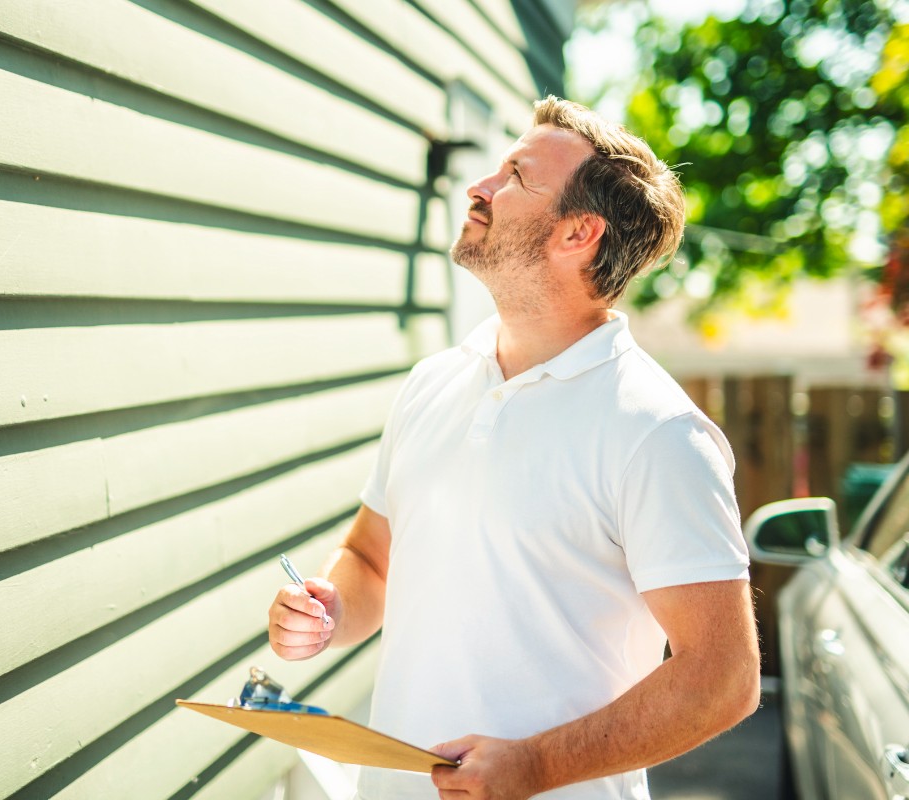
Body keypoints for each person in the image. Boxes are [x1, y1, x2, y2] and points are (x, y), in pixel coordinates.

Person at [267, 96, 761, 800]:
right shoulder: (432, 383)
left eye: (515, 175)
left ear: (577, 233)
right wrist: (327, 610)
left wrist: (539, 765)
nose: (479, 187)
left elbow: (723, 678)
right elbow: (372, 560)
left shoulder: (656, 432)